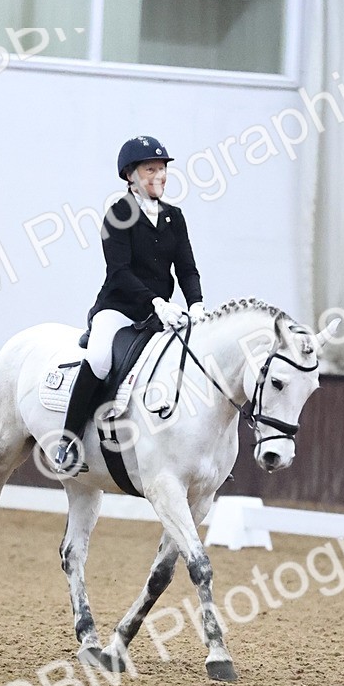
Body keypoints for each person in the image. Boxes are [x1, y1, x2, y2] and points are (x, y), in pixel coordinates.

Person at [54, 135, 207, 473]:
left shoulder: (174, 217)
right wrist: (156, 302)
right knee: (98, 359)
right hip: (119, 308)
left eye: (163, 169)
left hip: (159, 315)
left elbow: (186, 268)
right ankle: (69, 441)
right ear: (131, 176)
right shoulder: (118, 214)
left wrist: (195, 303)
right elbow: (119, 272)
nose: (160, 176)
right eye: (151, 169)